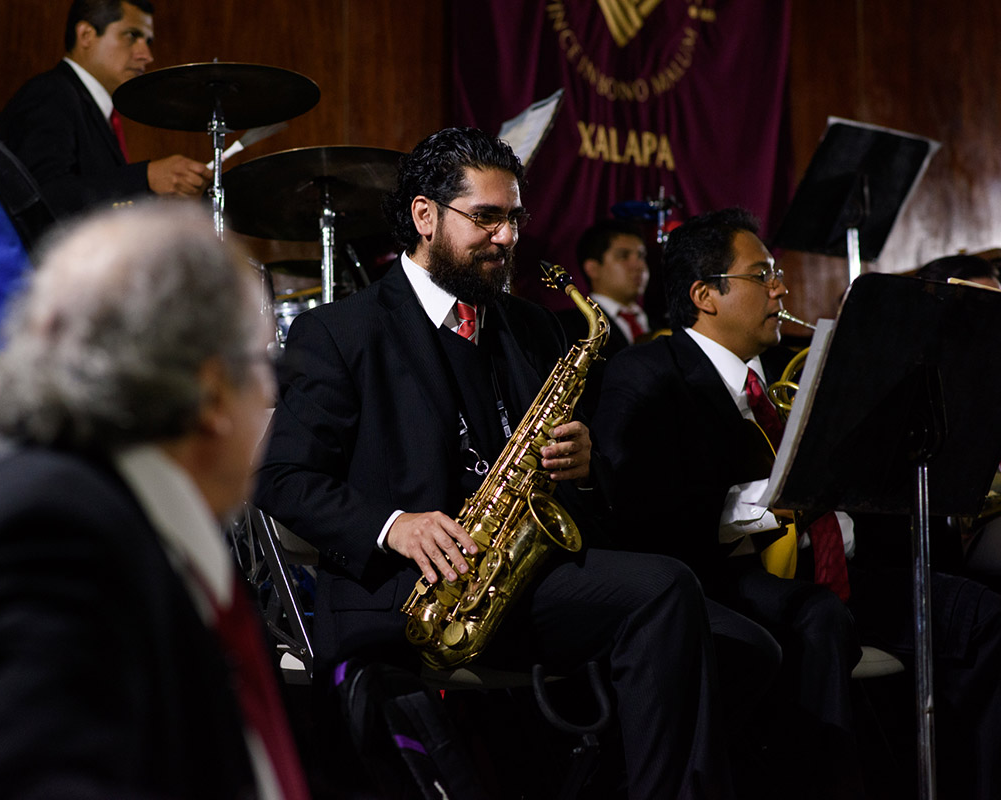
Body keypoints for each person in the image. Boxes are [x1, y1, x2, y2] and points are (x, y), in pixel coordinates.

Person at [254, 127, 773, 799]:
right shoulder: (343, 333)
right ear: (424, 216)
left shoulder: (534, 325)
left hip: (518, 577)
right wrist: (394, 525)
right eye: (487, 218)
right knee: (667, 593)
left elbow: (578, 479)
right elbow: (282, 479)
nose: (507, 238)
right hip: (412, 592)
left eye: (515, 219)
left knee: (747, 647)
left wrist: (584, 466)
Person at [0, 201, 308, 799]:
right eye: (262, 367)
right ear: (211, 393)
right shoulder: (52, 538)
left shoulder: (116, 513)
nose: (269, 394)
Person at [594, 207, 1001, 799]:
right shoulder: (649, 372)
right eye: (762, 275)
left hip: (844, 572)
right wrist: (784, 499)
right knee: (818, 618)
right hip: (729, 578)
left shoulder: (794, 371)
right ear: (705, 294)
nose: (781, 288)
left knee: (983, 617)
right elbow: (644, 508)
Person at [0, 0, 213, 219]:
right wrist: (145, 178)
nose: (147, 55)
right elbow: (43, 196)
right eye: (131, 36)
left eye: (148, 41)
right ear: (86, 35)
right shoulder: (49, 93)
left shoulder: (89, 105)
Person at [558, 218, 652, 359]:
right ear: (593, 268)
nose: (639, 266)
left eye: (641, 256)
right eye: (624, 256)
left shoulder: (661, 323)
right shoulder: (566, 327)